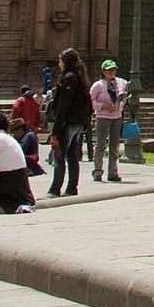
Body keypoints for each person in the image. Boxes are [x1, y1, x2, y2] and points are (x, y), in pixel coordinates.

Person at [47, 48, 93, 198]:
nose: (59, 64)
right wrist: (86, 120)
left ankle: (55, 189)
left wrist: (57, 126)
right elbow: (88, 101)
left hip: (67, 122)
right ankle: (72, 188)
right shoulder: (81, 78)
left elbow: (63, 105)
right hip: (77, 123)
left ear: (65, 62)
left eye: (60, 60)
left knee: (59, 156)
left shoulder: (69, 78)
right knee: (72, 156)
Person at [90, 59, 126, 183]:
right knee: (100, 145)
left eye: (114, 69)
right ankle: (97, 172)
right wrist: (103, 106)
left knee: (114, 146)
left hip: (117, 117)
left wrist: (123, 99)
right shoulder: (98, 85)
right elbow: (90, 101)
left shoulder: (119, 84)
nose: (112, 72)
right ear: (103, 71)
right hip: (103, 118)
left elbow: (120, 101)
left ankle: (113, 172)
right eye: (109, 70)